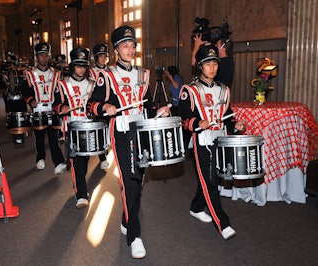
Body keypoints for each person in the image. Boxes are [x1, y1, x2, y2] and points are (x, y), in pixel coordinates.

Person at [87, 25, 171, 259]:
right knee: (131, 181)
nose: (130, 49)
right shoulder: (107, 75)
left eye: (133, 45)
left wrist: (158, 110)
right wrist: (105, 106)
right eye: (125, 46)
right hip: (122, 134)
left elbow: (148, 105)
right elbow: (91, 105)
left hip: (141, 133)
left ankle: (126, 219)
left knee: (137, 182)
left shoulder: (143, 74)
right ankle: (134, 236)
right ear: (116, 50)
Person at [178, 44, 246, 240]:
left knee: (210, 178)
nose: (213, 68)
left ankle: (196, 206)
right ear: (200, 66)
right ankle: (223, 223)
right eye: (208, 64)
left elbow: (227, 117)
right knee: (210, 182)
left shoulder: (224, 90)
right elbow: (182, 117)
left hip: (220, 141)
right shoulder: (189, 90)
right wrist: (197, 122)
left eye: (215, 63)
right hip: (202, 141)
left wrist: (235, 126)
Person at [56, 47, 95, 208]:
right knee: (76, 160)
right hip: (72, 126)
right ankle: (81, 194)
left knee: (84, 160)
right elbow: (56, 103)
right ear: (72, 66)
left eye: (84, 66)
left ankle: (81, 184)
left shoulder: (93, 84)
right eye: (78, 66)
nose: (81, 69)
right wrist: (61, 107)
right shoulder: (63, 84)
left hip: (89, 126)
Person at [23, 42, 67, 174]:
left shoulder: (56, 74)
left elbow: (59, 92)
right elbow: (25, 91)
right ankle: (40, 157)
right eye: (41, 55)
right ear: (37, 57)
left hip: (52, 109)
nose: (44, 58)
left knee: (54, 137)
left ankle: (58, 162)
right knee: (39, 136)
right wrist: (31, 101)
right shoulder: (30, 74)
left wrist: (59, 105)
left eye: (46, 55)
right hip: (38, 109)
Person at [88, 43, 110, 170]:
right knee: (100, 131)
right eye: (100, 56)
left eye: (104, 55)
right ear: (96, 57)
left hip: (110, 104)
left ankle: (106, 149)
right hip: (98, 105)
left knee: (109, 130)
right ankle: (102, 158)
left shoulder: (111, 70)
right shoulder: (91, 71)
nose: (103, 58)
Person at [0, 53, 28, 144]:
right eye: (9, 62)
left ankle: (22, 132)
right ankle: (15, 133)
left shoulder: (20, 71)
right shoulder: (6, 71)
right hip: (10, 96)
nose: (10, 64)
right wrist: (5, 86)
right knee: (12, 114)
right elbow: (3, 83)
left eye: (11, 62)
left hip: (19, 97)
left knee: (21, 115)